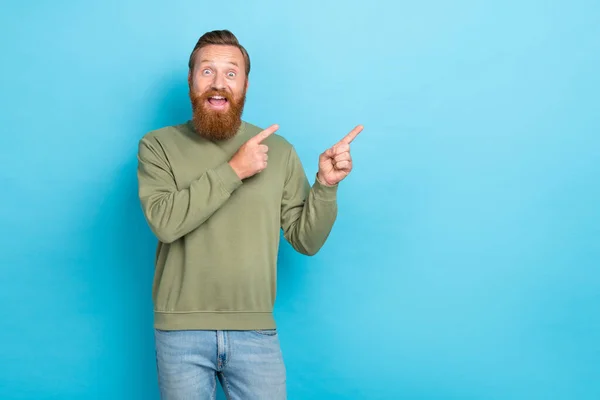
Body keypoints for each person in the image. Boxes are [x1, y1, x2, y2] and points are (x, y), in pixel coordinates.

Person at [136, 29, 362, 400]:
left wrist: (326, 184)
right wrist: (234, 170)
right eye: (207, 71)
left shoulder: (278, 150)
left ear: (245, 84)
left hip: (255, 332)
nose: (218, 83)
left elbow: (305, 241)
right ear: (191, 80)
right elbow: (165, 222)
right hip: (180, 333)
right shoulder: (158, 146)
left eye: (231, 72)